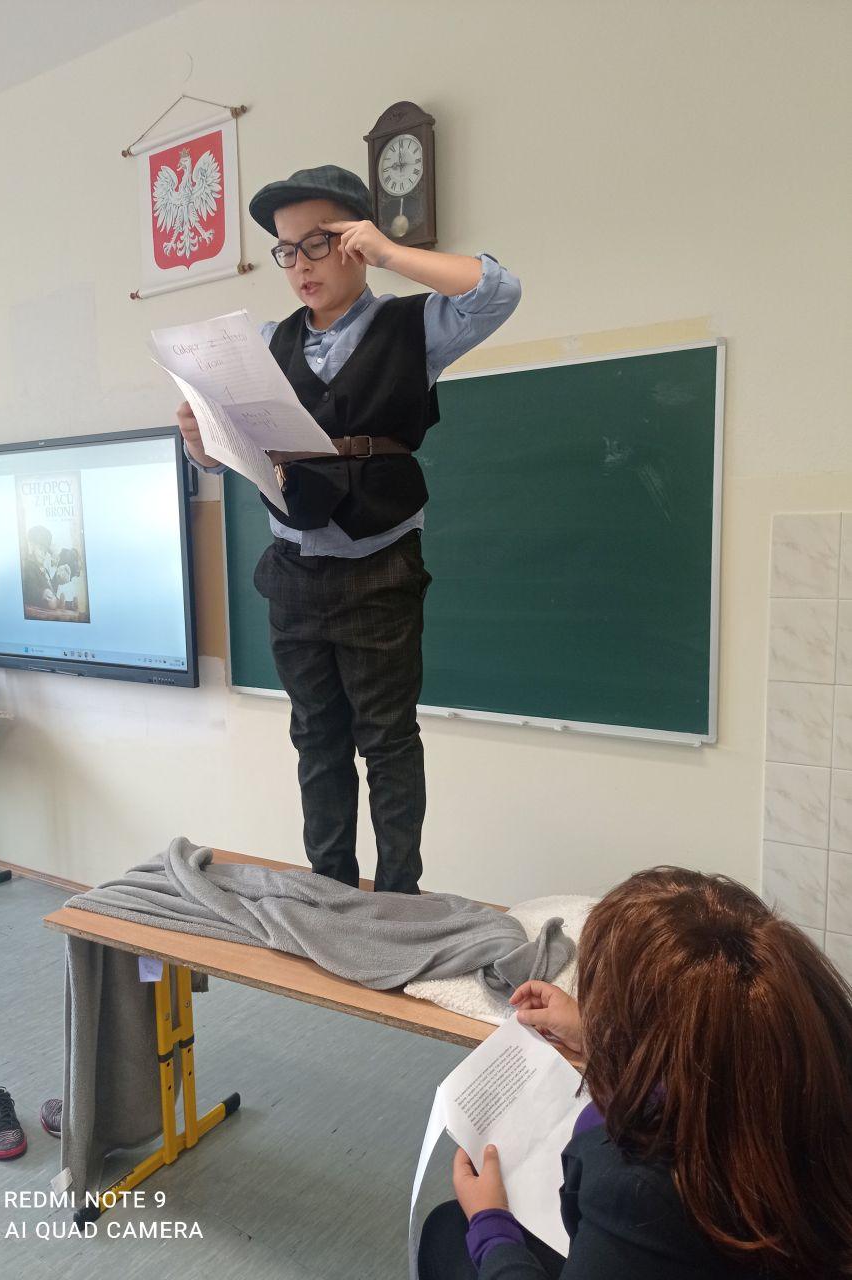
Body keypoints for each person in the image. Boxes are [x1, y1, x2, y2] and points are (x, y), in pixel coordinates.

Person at [178, 165, 520, 894]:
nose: (301, 264)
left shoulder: (412, 327)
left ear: (355, 238)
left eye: (319, 242)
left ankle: (398, 897)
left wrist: (391, 252)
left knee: (387, 740)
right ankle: (328, 889)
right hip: (292, 568)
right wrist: (202, 445)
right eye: (286, 250)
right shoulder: (262, 344)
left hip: (379, 565)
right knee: (315, 739)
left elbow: (498, 291)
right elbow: (235, 452)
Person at [418, 867, 852, 1279]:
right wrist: (608, 1036)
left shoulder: (639, 1188)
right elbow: (719, 1044)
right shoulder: (813, 1046)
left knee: (448, 1233)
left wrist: (492, 1228)